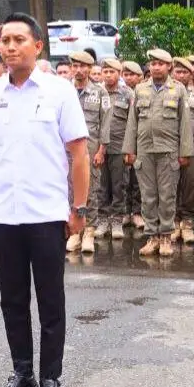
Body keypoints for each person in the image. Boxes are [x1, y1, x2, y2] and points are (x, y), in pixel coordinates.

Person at [0, 12, 89, 387]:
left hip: (46, 213)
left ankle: (51, 377)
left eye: (18, 40)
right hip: (5, 213)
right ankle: (22, 372)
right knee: (12, 300)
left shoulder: (60, 91)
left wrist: (78, 206)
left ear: (37, 46)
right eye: (5, 40)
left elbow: (78, 153)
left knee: (50, 299)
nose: (10, 47)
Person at [124, 48, 194, 257]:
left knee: (167, 195)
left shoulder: (178, 89)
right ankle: (152, 237)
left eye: (160, 64)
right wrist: (130, 149)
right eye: (152, 64)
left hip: (168, 152)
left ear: (168, 66)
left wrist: (185, 152)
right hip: (144, 151)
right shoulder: (140, 89)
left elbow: (185, 123)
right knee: (148, 196)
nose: (155, 67)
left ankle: (166, 237)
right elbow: (132, 122)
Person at [68, 50, 109, 253]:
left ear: (90, 69)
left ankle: (89, 231)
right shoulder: (65, 91)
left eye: (83, 66)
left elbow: (105, 124)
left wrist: (102, 150)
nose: (78, 70)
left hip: (91, 149)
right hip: (67, 150)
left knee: (91, 189)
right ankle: (75, 232)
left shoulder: (100, 93)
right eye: (75, 66)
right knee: (70, 188)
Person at [100, 58, 134, 239]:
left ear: (119, 74)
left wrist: (130, 149)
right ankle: (103, 219)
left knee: (119, 185)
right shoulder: (97, 92)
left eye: (112, 71)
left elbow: (132, 123)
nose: (108, 75)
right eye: (105, 71)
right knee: (102, 185)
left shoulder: (127, 94)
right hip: (100, 148)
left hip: (119, 146)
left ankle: (117, 220)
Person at [175, 57, 194, 245]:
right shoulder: (168, 93)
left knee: (191, 185)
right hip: (171, 146)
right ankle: (173, 221)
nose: (180, 75)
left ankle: (188, 223)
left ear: (191, 75)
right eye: (177, 72)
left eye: (184, 72)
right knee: (170, 185)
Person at [121, 60, 146, 230]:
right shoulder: (121, 93)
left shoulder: (142, 92)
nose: (128, 78)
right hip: (121, 141)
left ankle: (137, 212)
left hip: (141, 142)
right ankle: (125, 211)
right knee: (123, 180)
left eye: (132, 75)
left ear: (140, 77)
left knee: (137, 180)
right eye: (126, 74)